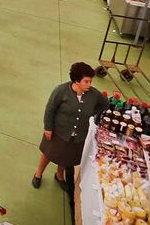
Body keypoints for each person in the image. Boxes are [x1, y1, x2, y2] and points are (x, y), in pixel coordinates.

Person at [33, 62, 107, 194]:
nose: (89, 84)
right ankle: (38, 173)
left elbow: (104, 104)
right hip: (59, 132)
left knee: (66, 157)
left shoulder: (94, 95)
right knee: (48, 153)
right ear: (76, 81)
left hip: (78, 135)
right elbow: (50, 109)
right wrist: (48, 128)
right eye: (86, 81)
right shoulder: (61, 91)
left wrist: (91, 114)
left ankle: (59, 175)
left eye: (90, 81)